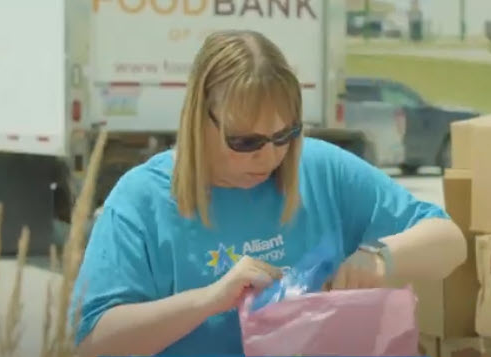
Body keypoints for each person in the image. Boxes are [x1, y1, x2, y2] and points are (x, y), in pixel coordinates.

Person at [72, 30, 466, 356]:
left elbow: (449, 242)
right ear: (199, 119)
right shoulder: (143, 200)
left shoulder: (321, 170)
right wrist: (210, 300)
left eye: (284, 136)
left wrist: (379, 262)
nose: (269, 157)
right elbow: (93, 343)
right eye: (245, 141)